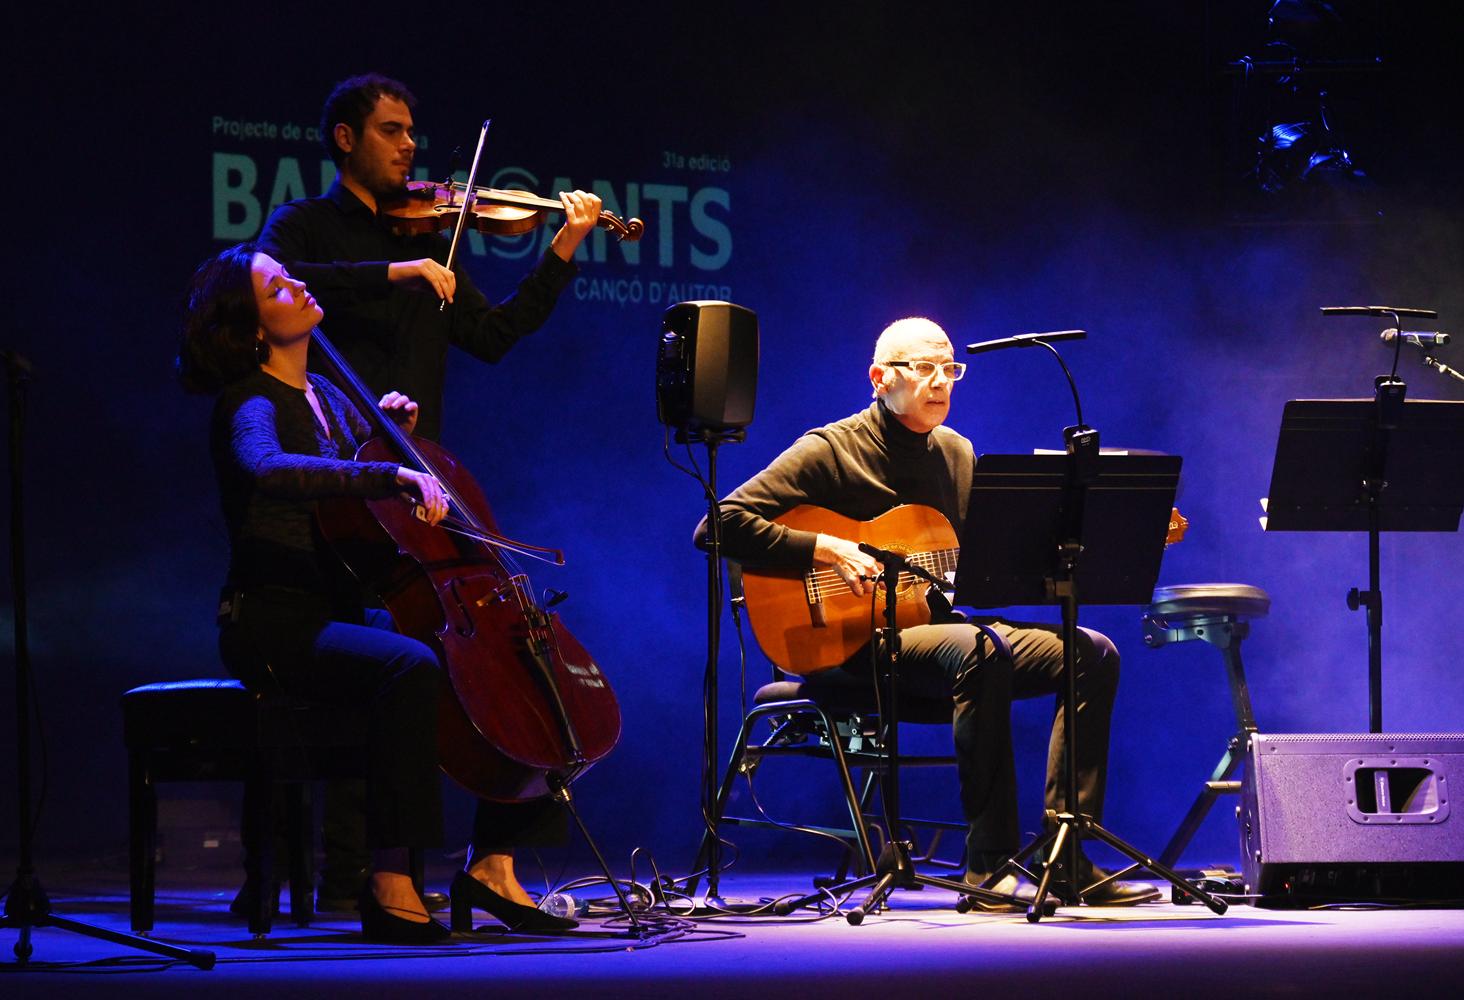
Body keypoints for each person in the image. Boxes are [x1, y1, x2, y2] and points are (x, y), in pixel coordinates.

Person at [258, 72, 602, 912]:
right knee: (386, 671)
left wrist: (561, 250)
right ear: (346, 138)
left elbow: (493, 334)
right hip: (333, 489)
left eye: (413, 130)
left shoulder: (433, 242)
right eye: (392, 130)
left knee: (514, 658)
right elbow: (274, 277)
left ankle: (493, 861)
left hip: (420, 488)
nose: (410, 145)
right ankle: (361, 873)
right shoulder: (304, 226)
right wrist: (395, 271)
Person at [177, 244, 577, 939]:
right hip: (272, 621)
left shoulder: (328, 395)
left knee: (509, 662)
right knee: (410, 665)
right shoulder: (249, 401)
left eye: (290, 275)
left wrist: (393, 437)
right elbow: (267, 466)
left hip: (337, 611)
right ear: (252, 327)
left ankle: (494, 863)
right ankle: (389, 880)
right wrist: (387, 474)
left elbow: (365, 473)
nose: (297, 284)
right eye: (277, 288)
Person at [697, 317, 1159, 907]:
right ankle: (989, 867)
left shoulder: (956, 453)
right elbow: (718, 525)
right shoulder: (831, 449)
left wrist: (1087, 542)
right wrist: (824, 548)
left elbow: (983, 569)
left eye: (950, 369)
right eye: (924, 368)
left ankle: (1066, 856)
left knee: (1091, 653)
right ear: (880, 378)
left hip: (933, 636)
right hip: (847, 645)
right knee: (982, 650)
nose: (940, 382)